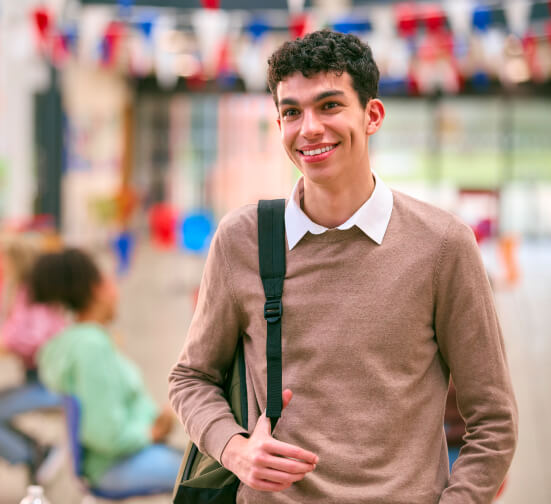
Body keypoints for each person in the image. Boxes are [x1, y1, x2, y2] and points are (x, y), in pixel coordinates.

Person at [168, 30, 517, 503]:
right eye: (292, 111)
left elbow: (493, 418)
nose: (309, 127)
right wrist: (233, 448)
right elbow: (191, 378)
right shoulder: (242, 240)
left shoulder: (442, 245)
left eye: (329, 105)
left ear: (372, 115)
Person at [30, 248, 181, 494]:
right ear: (97, 289)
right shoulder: (91, 347)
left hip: (116, 460)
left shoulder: (78, 340)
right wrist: (150, 433)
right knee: (215, 479)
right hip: (114, 465)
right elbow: (105, 433)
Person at [0, 234, 66, 482]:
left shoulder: (33, 294)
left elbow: (31, 339)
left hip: (48, 383)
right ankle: (36, 452)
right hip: (37, 379)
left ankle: (34, 454)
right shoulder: (21, 291)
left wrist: (7, 342)